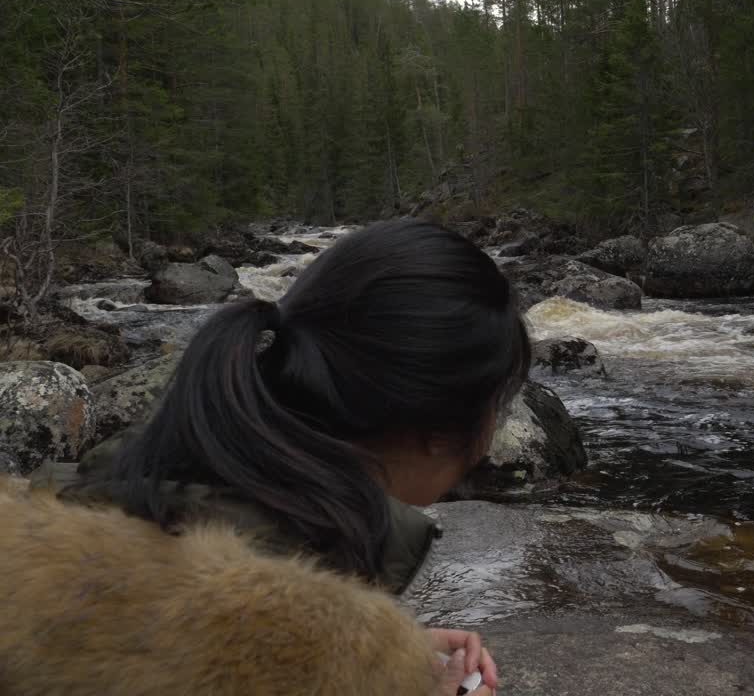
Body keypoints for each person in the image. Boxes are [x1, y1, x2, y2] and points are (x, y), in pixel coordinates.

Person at [30, 220, 529, 694]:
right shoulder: (264, 615)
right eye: (498, 407)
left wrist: (376, 652)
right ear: (441, 432)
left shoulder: (110, 497)